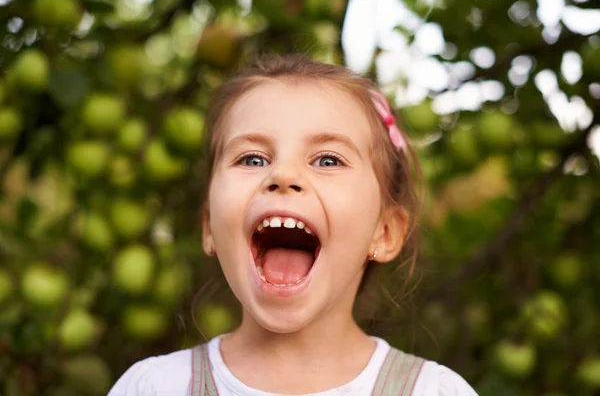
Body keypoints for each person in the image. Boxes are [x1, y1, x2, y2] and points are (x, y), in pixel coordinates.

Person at [108, 54, 478, 396]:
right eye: (252, 159)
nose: (283, 174)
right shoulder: (155, 387)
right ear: (209, 227)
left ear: (385, 231)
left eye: (328, 160)